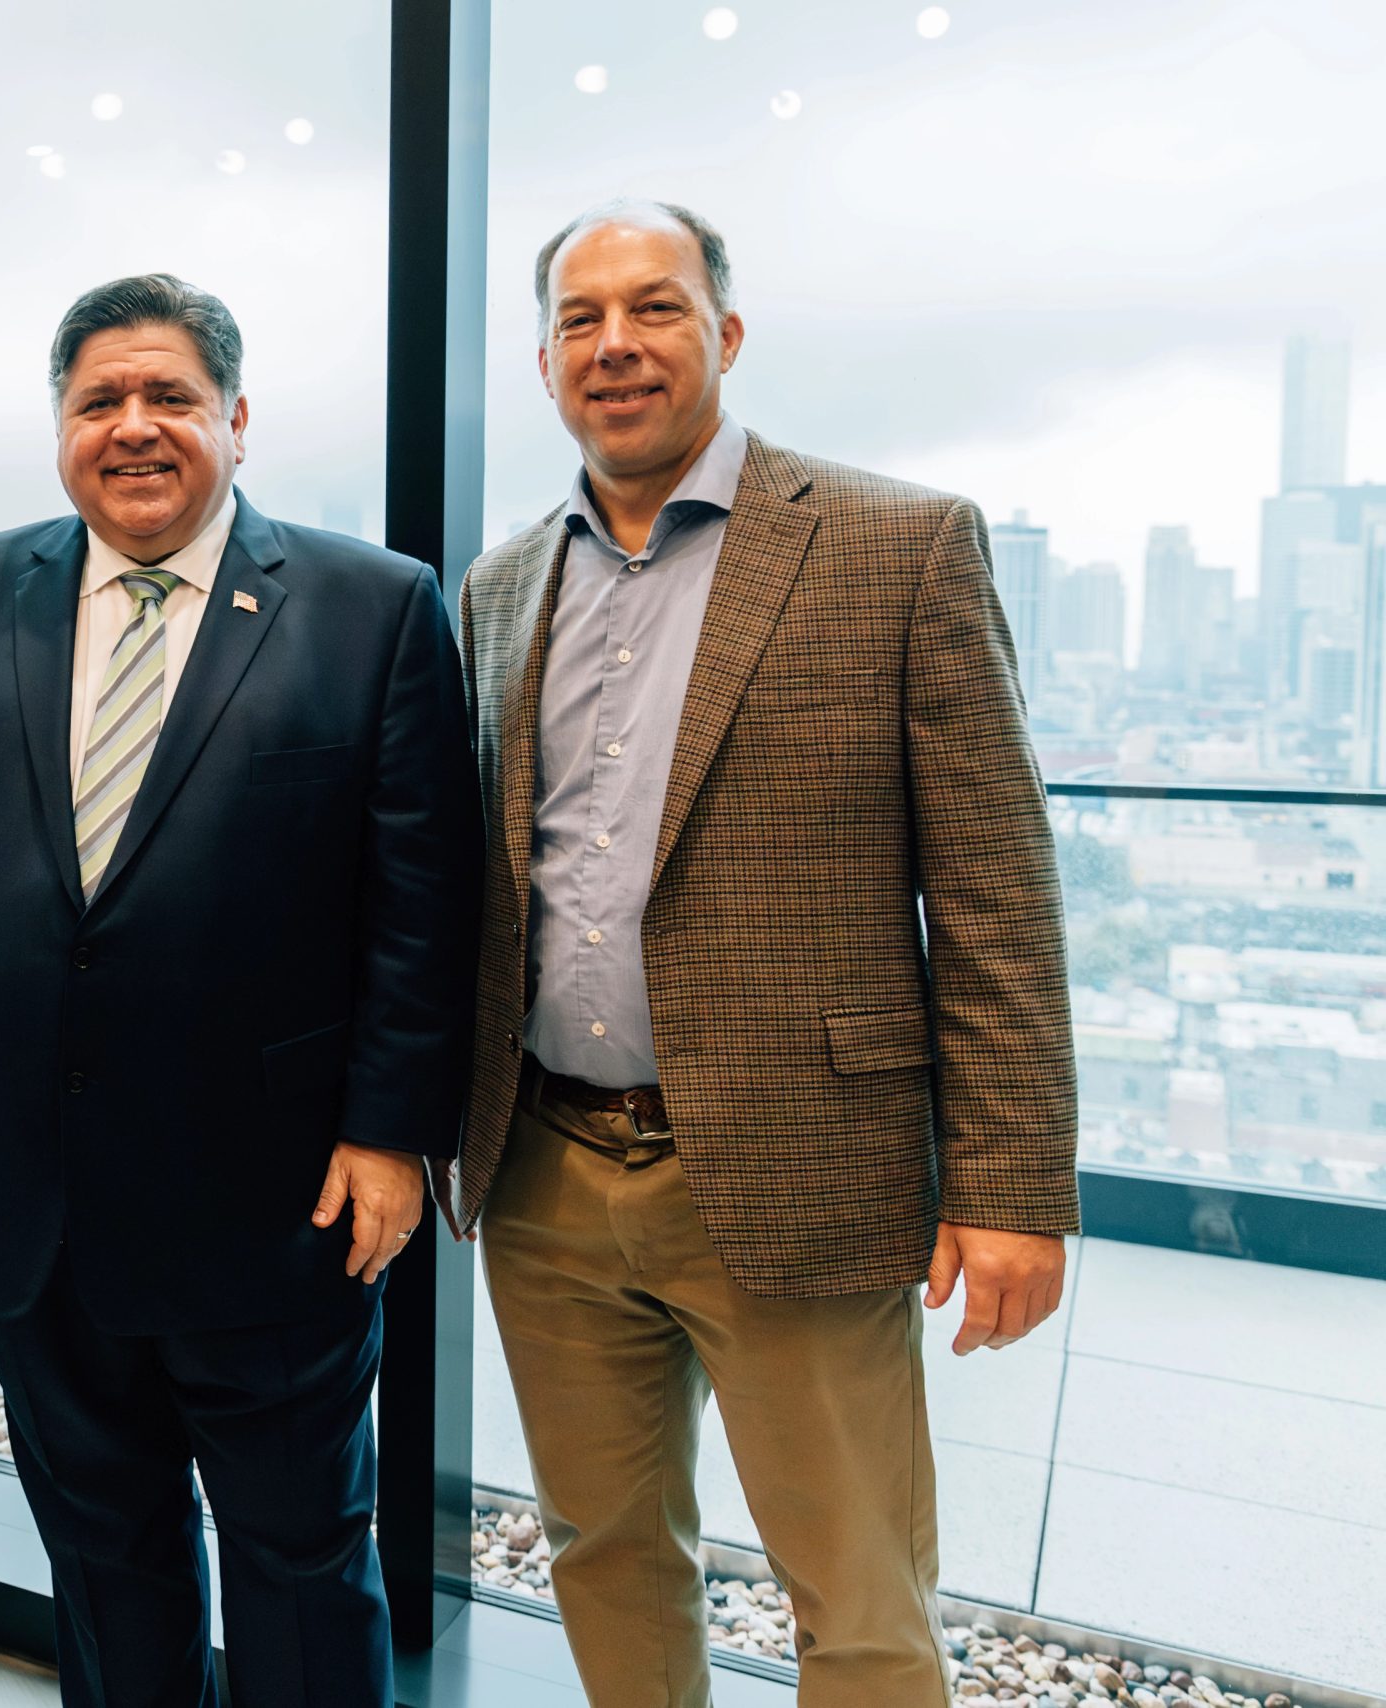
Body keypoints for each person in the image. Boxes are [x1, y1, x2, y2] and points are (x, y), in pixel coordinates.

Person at [443, 200, 1078, 1708]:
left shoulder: (898, 545)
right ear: (544, 366)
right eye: (581, 320)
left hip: (799, 1162)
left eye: (653, 308)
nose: (617, 344)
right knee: (602, 1550)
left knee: (854, 1593)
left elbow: (993, 889)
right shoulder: (501, 586)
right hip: (543, 1168)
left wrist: (1012, 1186)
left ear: (723, 334)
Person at [0, 274, 481, 1707]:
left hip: (277, 1204)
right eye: (98, 401)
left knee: (301, 1561)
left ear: (237, 420)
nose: (133, 428)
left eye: (168, 397)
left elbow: (427, 905)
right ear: (59, 428)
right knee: (103, 1554)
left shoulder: (374, 607)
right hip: (30, 1193)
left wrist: (391, 1132)